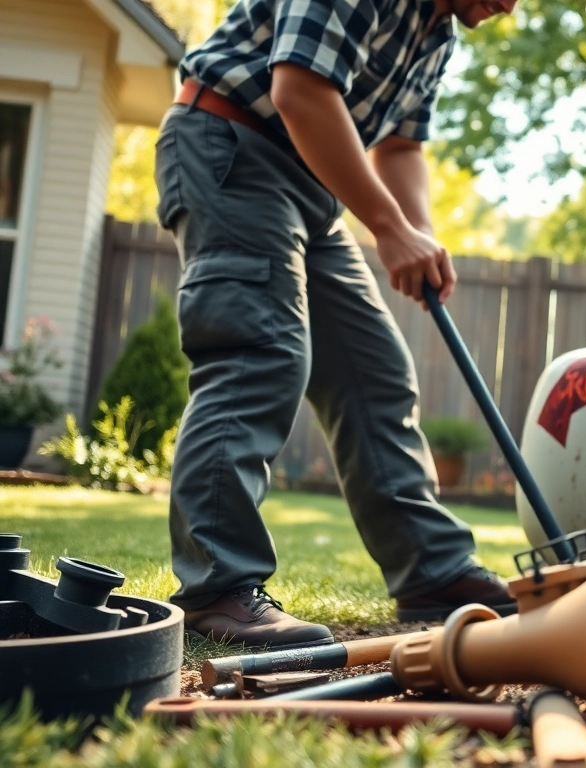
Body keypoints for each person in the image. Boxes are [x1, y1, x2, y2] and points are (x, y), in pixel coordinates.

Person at [154, 0, 520, 650]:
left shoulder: (435, 32)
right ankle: (217, 588)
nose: (511, 5)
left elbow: (401, 145)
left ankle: (431, 571)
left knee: (374, 371)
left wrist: (415, 234)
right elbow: (299, 92)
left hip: (309, 186)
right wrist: (385, 228)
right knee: (257, 352)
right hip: (230, 142)